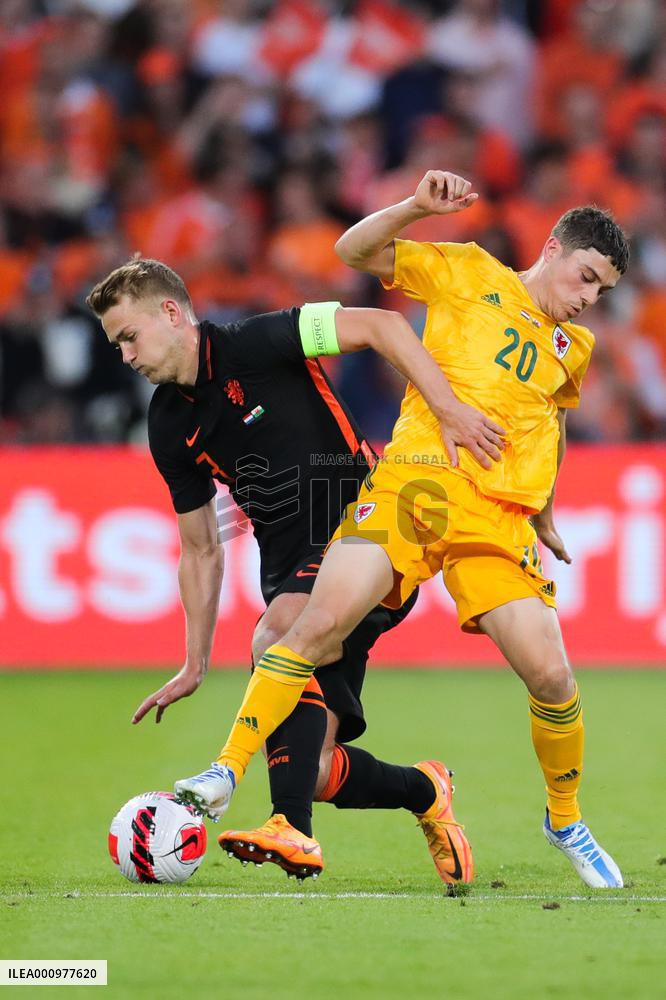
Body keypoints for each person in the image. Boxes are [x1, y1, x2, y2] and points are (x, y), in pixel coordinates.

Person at [177, 170, 630, 890]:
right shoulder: (469, 269)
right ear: (552, 248)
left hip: (496, 518)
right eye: (584, 278)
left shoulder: (571, 347)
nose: (586, 299)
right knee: (315, 623)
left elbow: (554, 417)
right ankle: (226, 770)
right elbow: (355, 250)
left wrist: (543, 505)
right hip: (412, 488)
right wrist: (418, 207)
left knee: (551, 675)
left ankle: (565, 818)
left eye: (600, 292)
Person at [86, 257, 504, 883]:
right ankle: (426, 792)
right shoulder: (168, 424)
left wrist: (446, 409)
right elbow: (201, 548)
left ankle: (293, 832)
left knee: (275, 632)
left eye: (128, 337)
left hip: (371, 532)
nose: (124, 356)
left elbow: (384, 329)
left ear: (171, 313)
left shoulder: (261, 340)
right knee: (310, 765)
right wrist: (195, 661)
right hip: (291, 574)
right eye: (115, 344)